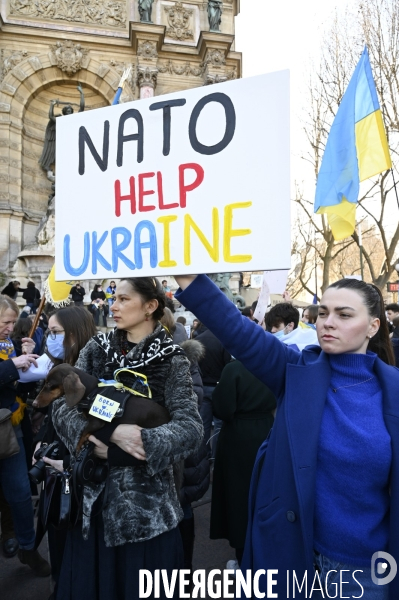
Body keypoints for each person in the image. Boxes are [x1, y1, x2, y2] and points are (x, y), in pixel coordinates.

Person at [175, 274, 398, 599]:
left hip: (364, 573)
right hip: (292, 560)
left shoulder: (392, 391)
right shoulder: (295, 370)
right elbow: (238, 331)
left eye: (344, 314)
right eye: (323, 313)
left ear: (374, 326)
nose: (328, 323)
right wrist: (189, 275)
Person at [51, 277, 203, 600]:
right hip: (91, 508)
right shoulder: (96, 349)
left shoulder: (171, 359)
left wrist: (133, 448)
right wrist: (113, 433)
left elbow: (190, 429)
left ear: (150, 307)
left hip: (147, 516)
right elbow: (61, 410)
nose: (113, 306)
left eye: (123, 299)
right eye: (113, 298)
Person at [0, 294, 51, 576]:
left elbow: (18, 385)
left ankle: (28, 547)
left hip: (10, 425)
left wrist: (29, 357)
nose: (11, 328)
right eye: (6, 322)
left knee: (20, 491)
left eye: (12, 322)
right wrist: (12, 366)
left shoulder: (9, 346)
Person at [211, 359, 276, 570]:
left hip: (237, 439)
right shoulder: (271, 364)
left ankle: (243, 561)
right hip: (268, 432)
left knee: (238, 501)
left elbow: (222, 408)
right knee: (266, 497)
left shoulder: (234, 368)